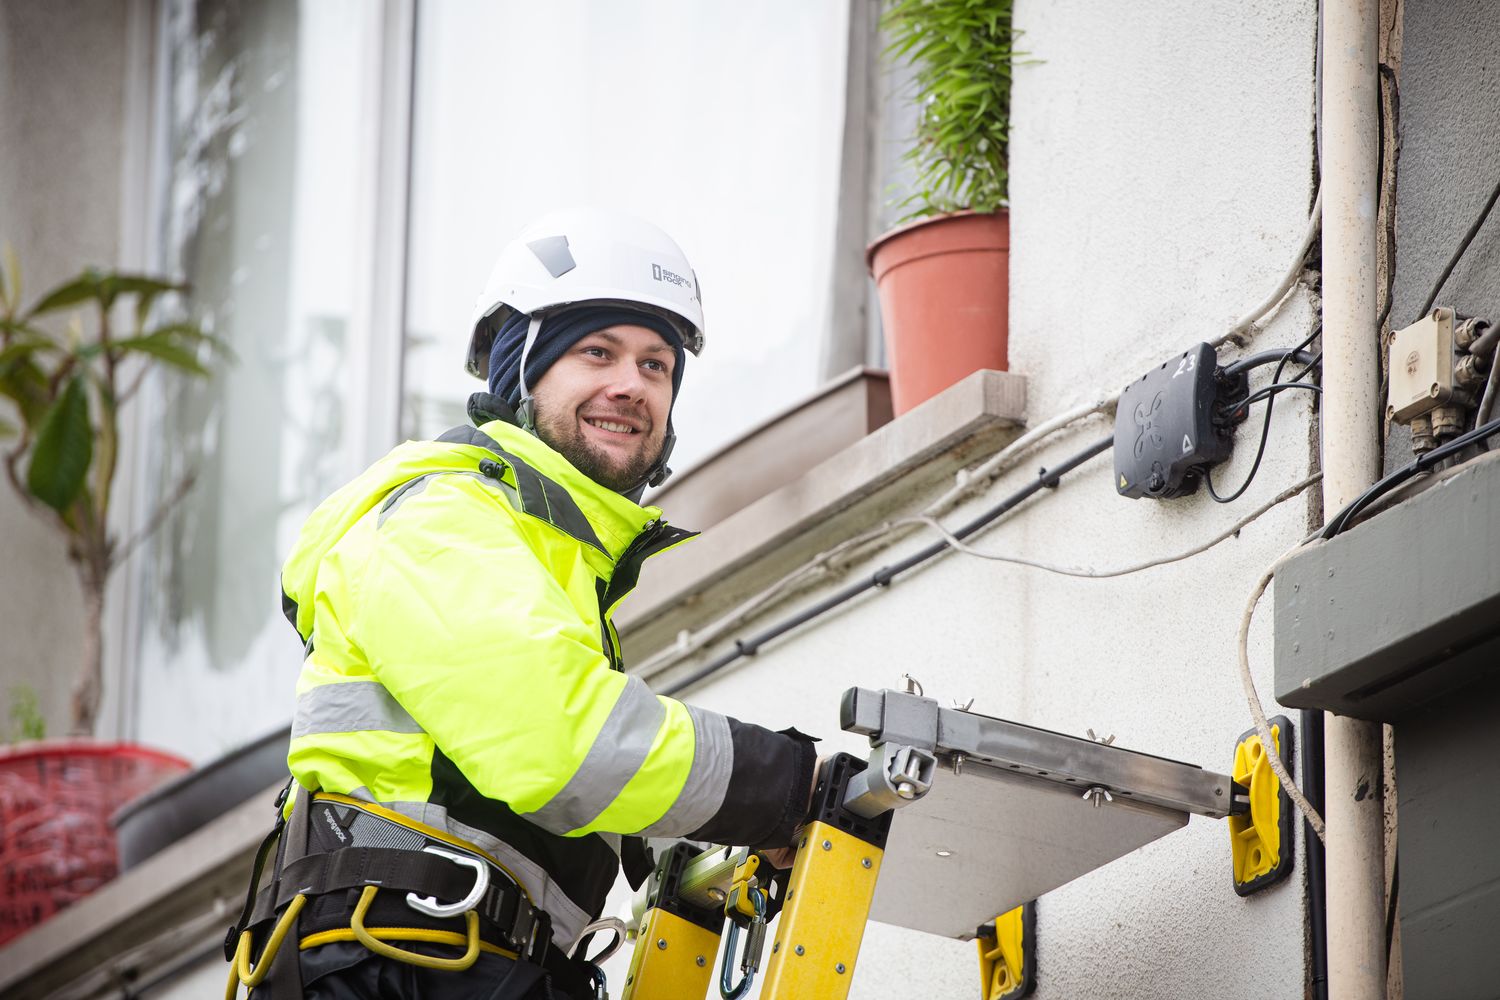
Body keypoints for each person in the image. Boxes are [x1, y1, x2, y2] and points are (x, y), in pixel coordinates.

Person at [227, 208, 818, 999]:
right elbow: (560, 740)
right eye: (596, 351)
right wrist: (785, 788)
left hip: (451, 961)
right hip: (393, 967)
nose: (630, 385)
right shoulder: (444, 515)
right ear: (522, 375)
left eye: (656, 366)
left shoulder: (550, 563)